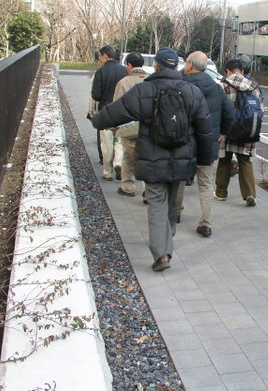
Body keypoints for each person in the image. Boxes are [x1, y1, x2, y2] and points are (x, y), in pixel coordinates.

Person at [91, 47, 213, 272]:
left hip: (152, 157)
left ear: (156, 65)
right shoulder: (192, 91)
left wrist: (97, 120)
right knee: (171, 202)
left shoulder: (144, 90)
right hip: (182, 158)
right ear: (176, 66)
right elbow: (206, 129)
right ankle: (166, 242)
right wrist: (204, 159)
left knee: (157, 202)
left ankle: (162, 254)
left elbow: (116, 111)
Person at [175, 51, 234, 237]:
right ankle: (206, 223)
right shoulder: (216, 87)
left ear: (190, 65)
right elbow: (229, 113)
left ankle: (175, 213)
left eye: (186, 62)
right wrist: (221, 132)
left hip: (183, 142)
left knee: (178, 181)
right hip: (208, 141)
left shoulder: (180, 86)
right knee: (206, 183)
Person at [215, 58, 263, 207]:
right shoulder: (253, 85)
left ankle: (221, 193)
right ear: (242, 71)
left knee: (224, 160)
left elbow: (217, 109)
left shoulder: (222, 85)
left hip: (227, 129)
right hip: (247, 128)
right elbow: (260, 109)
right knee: (245, 160)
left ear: (227, 71)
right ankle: (249, 194)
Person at [112, 52, 148, 199]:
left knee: (128, 158)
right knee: (147, 160)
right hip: (148, 128)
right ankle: (148, 192)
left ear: (129, 65)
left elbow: (117, 107)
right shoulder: (150, 81)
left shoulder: (123, 83)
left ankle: (128, 186)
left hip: (129, 128)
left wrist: (115, 126)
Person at [91, 45, 127, 180]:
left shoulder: (101, 72)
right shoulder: (124, 70)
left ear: (105, 56)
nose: (99, 60)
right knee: (119, 141)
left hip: (105, 112)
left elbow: (96, 95)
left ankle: (107, 172)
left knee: (106, 144)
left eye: (100, 57)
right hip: (122, 112)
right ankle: (118, 163)